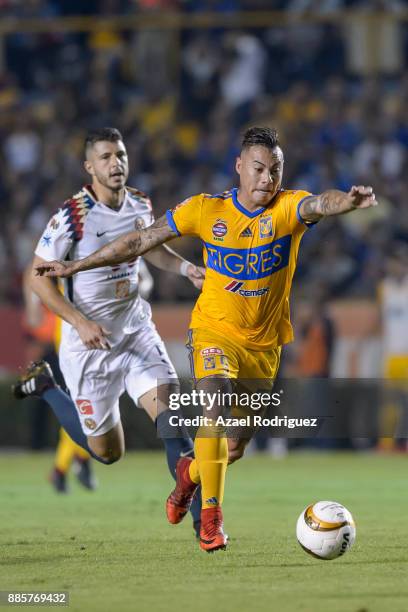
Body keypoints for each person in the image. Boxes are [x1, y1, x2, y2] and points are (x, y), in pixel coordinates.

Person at [34, 126, 377, 552]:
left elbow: (320, 202)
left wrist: (345, 202)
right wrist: (79, 264)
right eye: (258, 169)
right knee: (213, 407)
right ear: (239, 167)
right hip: (213, 331)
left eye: (275, 170)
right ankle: (211, 521)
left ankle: (189, 476)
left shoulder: (288, 209)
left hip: (263, 348)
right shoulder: (204, 210)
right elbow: (141, 240)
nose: (267, 179)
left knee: (233, 447)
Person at [13, 127, 205, 535]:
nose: (115, 163)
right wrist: (79, 323)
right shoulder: (71, 216)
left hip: (135, 329)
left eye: (120, 155)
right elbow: (37, 277)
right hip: (89, 346)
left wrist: (185, 268)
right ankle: (46, 386)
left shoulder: (140, 202)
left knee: (173, 420)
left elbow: (148, 246)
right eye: (105, 157)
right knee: (107, 453)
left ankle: (203, 523)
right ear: (89, 167)